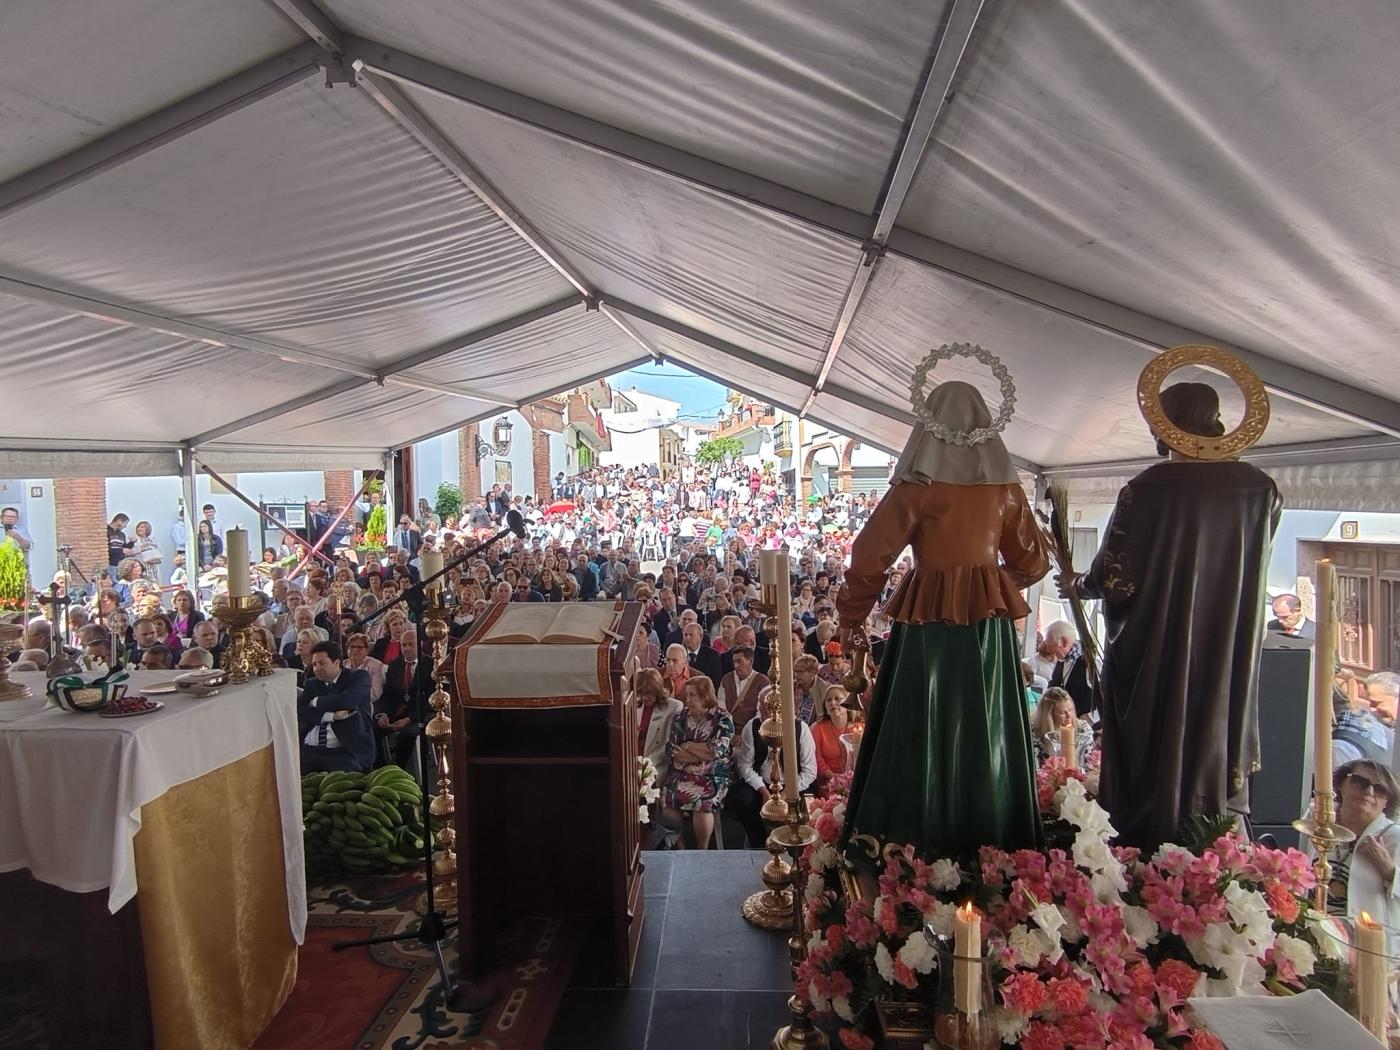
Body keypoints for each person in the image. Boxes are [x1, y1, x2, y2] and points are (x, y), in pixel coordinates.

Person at [836, 380, 1049, 872]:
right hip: (986, 630)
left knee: (920, 718)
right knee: (987, 719)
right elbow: (1034, 561)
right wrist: (990, 581)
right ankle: (993, 837)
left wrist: (851, 614)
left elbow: (870, 555)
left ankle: (908, 836)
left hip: (929, 620)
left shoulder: (917, 485)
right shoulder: (1004, 487)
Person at [1060, 382, 1280, 851]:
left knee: (1152, 744)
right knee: (1210, 726)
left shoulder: (1147, 489)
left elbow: (1116, 577)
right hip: (1225, 646)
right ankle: (1207, 842)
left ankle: (1143, 850)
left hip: (1157, 647)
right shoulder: (1260, 488)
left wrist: (1078, 585)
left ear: (1164, 424)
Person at [1326, 760, 1400, 963]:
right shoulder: (1320, 825)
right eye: (1359, 782)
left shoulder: (1394, 837)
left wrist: (1391, 871)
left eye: (1380, 789)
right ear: (1341, 784)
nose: (1369, 791)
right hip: (1319, 940)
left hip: (1367, 954)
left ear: (1387, 802)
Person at [659, 676, 733, 850]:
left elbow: (718, 750)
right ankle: (681, 848)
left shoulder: (722, 718)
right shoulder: (680, 717)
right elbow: (672, 750)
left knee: (702, 803)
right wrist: (702, 753)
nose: (688, 700)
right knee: (667, 801)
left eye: (692, 695)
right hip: (682, 773)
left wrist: (689, 746)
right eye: (687, 695)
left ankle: (702, 850)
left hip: (713, 774)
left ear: (705, 696)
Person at [729, 704, 817, 846]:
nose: (764, 717)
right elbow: (745, 766)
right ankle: (759, 843)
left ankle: (794, 845)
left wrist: (787, 792)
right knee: (742, 798)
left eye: (768, 712)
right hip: (761, 782)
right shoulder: (752, 727)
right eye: (762, 711)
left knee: (805, 805)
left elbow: (810, 771)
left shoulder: (801, 729)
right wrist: (763, 791)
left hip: (793, 783)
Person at [298, 641, 375, 773]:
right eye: (314, 664)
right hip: (310, 749)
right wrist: (331, 716)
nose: (316, 668)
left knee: (340, 783)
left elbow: (347, 701)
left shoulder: (358, 677)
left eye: (322, 663)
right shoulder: (312, 684)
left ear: (337, 663)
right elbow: (300, 711)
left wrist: (316, 701)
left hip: (344, 752)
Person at [378, 627, 432, 768]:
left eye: (410, 644)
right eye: (403, 645)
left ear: (419, 644)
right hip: (397, 710)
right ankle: (380, 769)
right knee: (372, 728)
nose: (406, 648)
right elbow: (388, 694)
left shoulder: (431, 665)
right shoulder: (395, 665)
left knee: (406, 735)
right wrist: (383, 714)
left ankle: (399, 769)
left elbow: (430, 701)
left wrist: (409, 719)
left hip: (419, 713)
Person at [635, 667, 682, 789]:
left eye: (648, 693)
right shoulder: (633, 705)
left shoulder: (673, 707)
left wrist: (645, 763)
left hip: (657, 762)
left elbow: (668, 745)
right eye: (641, 693)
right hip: (633, 759)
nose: (644, 697)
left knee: (642, 785)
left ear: (657, 690)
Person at [1030, 687, 1095, 768]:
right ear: (1049, 715)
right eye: (1062, 713)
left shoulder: (1083, 728)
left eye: (1070, 710)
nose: (1069, 716)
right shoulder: (1034, 733)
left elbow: (1089, 761)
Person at [812, 687, 857, 792]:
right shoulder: (818, 729)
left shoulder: (860, 728)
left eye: (837, 699)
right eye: (828, 700)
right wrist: (836, 778)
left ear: (848, 704)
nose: (832, 702)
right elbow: (818, 761)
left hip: (855, 783)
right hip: (828, 784)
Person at [715, 644, 768, 730]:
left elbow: (760, 713)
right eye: (734, 661)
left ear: (750, 661)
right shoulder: (726, 679)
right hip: (728, 730)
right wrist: (729, 730)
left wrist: (746, 732)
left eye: (739, 661)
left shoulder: (763, 682)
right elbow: (721, 708)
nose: (736, 666)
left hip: (752, 730)